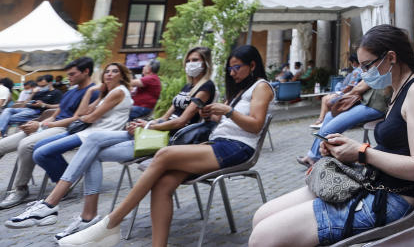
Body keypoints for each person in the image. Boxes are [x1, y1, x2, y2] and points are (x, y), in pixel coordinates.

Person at [58, 44, 274, 247]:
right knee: (162, 185)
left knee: (163, 154)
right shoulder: (239, 90)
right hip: (218, 143)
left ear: (252, 65)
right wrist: (214, 114)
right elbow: (228, 121)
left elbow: (255, 126)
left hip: (238, 148)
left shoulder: (261, 87)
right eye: (230, 68)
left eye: (237, 67)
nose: (232, 72)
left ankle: (110, 224)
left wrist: (227, 111)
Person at [250, 24, 414, 247]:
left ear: (391, 57)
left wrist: (361, 152)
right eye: (360, 67)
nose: (363, 73)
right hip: (372, 185)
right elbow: (395, 148)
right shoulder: (397, 90)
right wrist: (345, 150)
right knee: (261, 216)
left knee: (264, 237)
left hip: (392, 200)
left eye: (367, 66)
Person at [15, 47, 216, 240]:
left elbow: (182, 122)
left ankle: (53, 205)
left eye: (196, 60)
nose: (191, 64)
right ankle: (83, 215)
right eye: (189, 60)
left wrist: (149, 127)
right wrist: (146, 123)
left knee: (92, 145)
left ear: (206, 63)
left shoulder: (206, 87)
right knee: (92, 143)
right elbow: (165, 116)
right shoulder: (187, 87)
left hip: (173, 141)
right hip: (154, 134)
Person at [5, 62, 133, 227]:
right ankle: (67, 193)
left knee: (41, 153)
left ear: (122, 75)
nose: (109, 74)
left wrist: (86, 115)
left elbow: (89, 118)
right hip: (87, 131)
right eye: (107, 71)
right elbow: (82, 114)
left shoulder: (118, 92)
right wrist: (91, 91)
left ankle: (59, 194)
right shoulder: (105, 93)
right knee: (38, 148)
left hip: (97, 133)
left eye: (114, 71)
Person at [0, 58, 99, 211]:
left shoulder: (93, 92)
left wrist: (42, 125)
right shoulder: (71, 91)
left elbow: (78, 119)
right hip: (49, 126)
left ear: (86, 71)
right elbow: (56, 114)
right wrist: (36, 124)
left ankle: (20, 189)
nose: (69, 77)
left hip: (67, 129)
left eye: (72, 74)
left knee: (26, 145)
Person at [297, 57, 388, 167]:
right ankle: (313, 156)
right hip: (365, 103)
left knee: (329, 129)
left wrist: (342, 97)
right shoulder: (376, 66)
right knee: (329, 116)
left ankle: (318, 160)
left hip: (375, 106)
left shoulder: (382, 66)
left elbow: (359, 87)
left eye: (364, 64)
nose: (362, 66)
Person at [0, 74, 63, 138]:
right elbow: (25, 103)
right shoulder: (38, 91)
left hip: (39, 112)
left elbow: (59, 106)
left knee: (5, 118)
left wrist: (44, 105)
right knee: (7, 110)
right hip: (27, 109)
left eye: (43, 86)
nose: (41, 87)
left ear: (50, 83)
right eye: (39, 86)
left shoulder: (56, 93)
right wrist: (33, 93)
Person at [309, 55, 362, 129]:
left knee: (325, 99)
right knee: (325, 98)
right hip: (350, 93)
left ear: (354, 62)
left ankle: (322, 121)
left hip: (349, 94)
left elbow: (351, 86)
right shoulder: (361, 70)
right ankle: (322, 120)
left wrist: (340, 92)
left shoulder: (357, 71)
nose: (351, 65)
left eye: (351, 63)